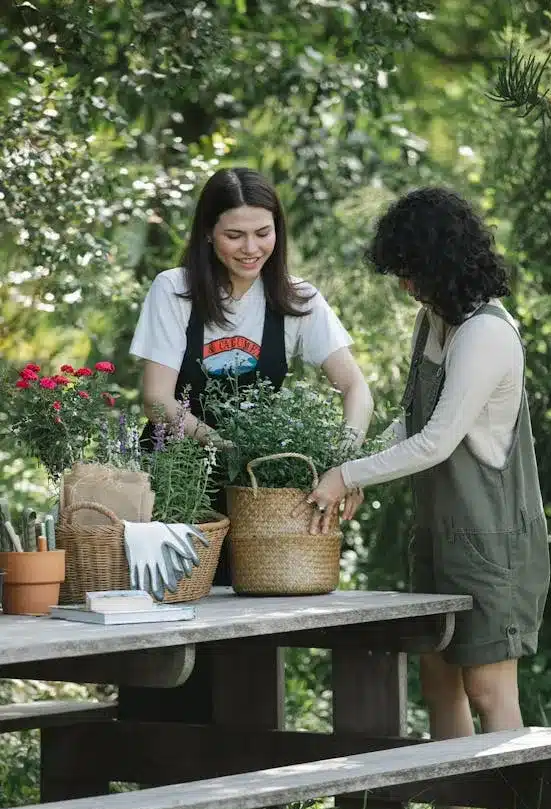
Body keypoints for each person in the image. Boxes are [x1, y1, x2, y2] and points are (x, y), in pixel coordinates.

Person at [306, 186, 550, 809]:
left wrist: (348, 479)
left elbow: (439, 441)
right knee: (440, 682)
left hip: (492, 541)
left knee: (489, 689)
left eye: (412, 269)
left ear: (443, 261)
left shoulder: (486, 333)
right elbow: (411, 422)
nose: (406, 284)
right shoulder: (436, 323)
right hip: (441, 534)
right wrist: (352, 464)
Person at [130, 166, 373, 578]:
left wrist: (343, 464)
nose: (251, 248)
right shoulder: (174, 290)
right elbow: (157, 398)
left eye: (263, 232)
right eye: (234, 235)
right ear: (208, 233)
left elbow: (355, 387)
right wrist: (225, 446)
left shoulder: (297, 299)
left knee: (257, 608)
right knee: (173, 603)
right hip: (176, 478)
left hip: (258, 489)